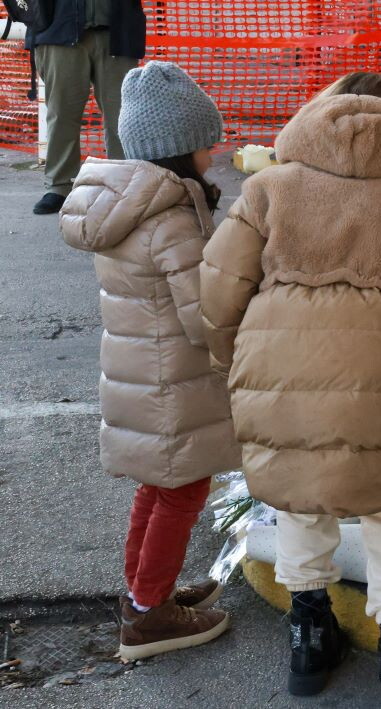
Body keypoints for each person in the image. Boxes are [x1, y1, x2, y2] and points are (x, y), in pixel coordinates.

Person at [200, 73, 381, 706]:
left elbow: (220, 288)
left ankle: (308, 635)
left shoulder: (270, 189)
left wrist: (237, 358)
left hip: (278, 366)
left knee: (302, 496)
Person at [59, 61, 240, 660]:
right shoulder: (171, 220)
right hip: (174, 382)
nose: (215, 149)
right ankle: (150, 615)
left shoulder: (125, 205)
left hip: (142, 375)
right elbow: (204, 316)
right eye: (205, 140)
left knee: (157, 488)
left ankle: (141, 592)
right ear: (178, 148)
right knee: (185, 493)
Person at [27, 0, 146, 215]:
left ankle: (124, 183)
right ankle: (59, 186)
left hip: (117, 30)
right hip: (57, 29)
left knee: (123, 115)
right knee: (61, 113)